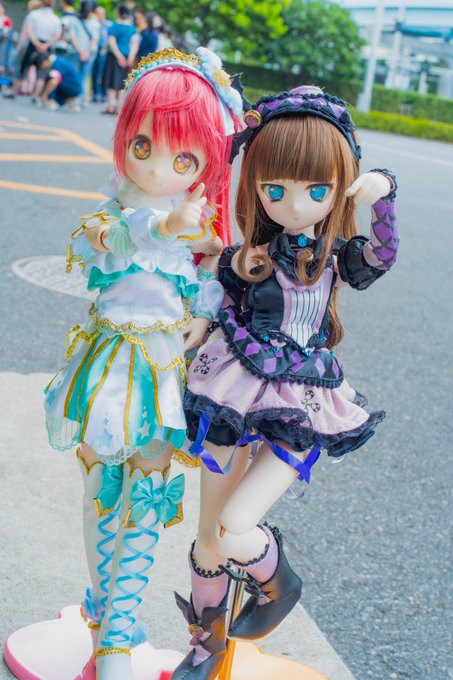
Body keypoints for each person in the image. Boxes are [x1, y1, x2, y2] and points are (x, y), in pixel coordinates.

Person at [172, 86, 399, 678]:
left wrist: (383, 196)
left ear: (338, 187)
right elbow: (215, 299)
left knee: (235, 527)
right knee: (208, 537)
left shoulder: (335, 258)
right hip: (231, 389)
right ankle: (207, 648)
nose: (294, 206)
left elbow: (380, 255)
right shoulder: (248, 256)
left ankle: (279, 580)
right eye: (275, 190)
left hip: (302, 401)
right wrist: (191, 325)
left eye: (315, 191)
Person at [43, 47, 242, 680]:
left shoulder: (200, 224)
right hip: (106, 367)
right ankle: (110, 629)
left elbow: (208, 276)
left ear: (205, 162)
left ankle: (115, 629)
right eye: (143, 146)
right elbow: (106, 242)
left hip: (162, 373)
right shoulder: (110, 215)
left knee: (149, 496)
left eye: (184, 159)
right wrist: (165, 227)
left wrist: (203, 311)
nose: (159, 168)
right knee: (103, 490)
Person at [101, 3, 138, 114]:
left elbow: (112, 42)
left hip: (114, 57)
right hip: (127, 57)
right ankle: (119, 107)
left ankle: (110, 106)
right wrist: (130, 58)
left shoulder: (114, 26)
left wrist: (119, 56)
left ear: (119, 13)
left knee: (112, 81)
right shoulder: (132, 28)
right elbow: (134, 44)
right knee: (123, 82)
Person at [65, 0, 99, 104]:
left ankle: (72, 97)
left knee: (73, 75)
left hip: (75, 52)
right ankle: (81, 98)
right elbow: (94, 39)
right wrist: (87, 52)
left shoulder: (74, 20)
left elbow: (72, 37)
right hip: (89, 53)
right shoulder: (94, 22)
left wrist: (80, 51)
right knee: (84, 76)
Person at [91, 4, 111, 102]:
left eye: (100, 13)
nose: (98, 15)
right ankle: (95, 93)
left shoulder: (108, 25)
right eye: (97, 13)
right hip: (94, 50)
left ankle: (103, 93)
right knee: (94, 72)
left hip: (104, 51)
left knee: (103, 73)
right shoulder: (92, 23)